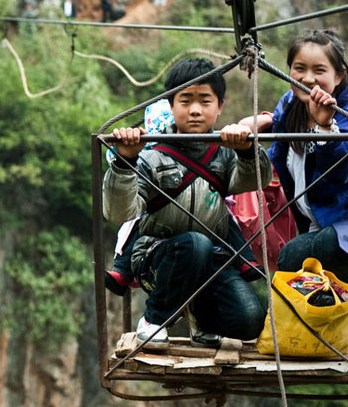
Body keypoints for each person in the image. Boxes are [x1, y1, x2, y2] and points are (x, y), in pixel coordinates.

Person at [103, 57, 272, 346]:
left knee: (250, 321)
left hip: (211, 262)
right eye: (185, 100)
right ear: (170, 106)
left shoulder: (225, 153)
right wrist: (125, 160)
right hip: (157, 258)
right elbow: (120, 211)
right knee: (195, 244)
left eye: (205, 101)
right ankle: (154, 319)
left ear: (220, 106)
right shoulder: (151, 157)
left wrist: (246, 150)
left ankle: (202, 320)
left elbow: (253, 181)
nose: (195, 110)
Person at [239, 29, 348, 312]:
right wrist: (262, 121)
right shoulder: (291, 104)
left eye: (319, 70)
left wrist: (326, 128)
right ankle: (337, 312)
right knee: (293, 259)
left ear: (339, 76)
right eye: (299, 69)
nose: (308, 79)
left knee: (320, 248)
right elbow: (280, 146)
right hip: (321, 218)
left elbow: (339, 174)